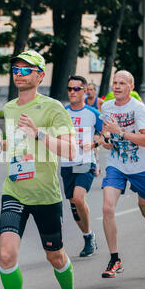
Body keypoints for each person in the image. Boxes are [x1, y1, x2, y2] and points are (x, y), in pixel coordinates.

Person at [0, 50, 77, 289]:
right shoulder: (9, 107)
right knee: (6, 255)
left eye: (26, 70)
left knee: (56, 257)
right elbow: (19, 143)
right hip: (14, 191)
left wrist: (38, 133)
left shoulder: (53, 108)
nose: (19, 74)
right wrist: (0, 144)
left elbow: (71, 151)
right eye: (16, 69)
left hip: (45, 195)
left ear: (40, 76)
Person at [99, 70, 145, 279]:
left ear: (131, 87)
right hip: (117, 164)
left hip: (141, 165)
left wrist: (120, 132)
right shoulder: (106, 107)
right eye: (115, 82)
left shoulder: (138, 108)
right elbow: (106, 137)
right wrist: (106, 140)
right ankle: (115, 258)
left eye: (122, 83)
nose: (116, 86)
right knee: (107, 207)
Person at [60, 75, 102, 257]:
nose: (72, 92)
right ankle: (88, 235)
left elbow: (104, 135)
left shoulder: (93, 114)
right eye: (69, 89)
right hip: (66, 163)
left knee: (78, 198)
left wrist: (94, 144)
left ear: (85, 91)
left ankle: (88, 236)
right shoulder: (62, 113)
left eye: (76, 89)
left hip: (85, 161)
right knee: (73, 204)